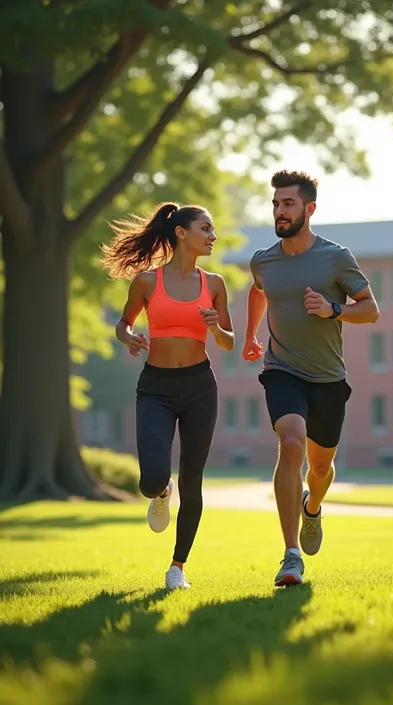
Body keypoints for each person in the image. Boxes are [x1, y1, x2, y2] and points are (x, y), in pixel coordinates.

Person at [242, 170, 379, 587]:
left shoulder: (336, 257)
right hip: (282, 371)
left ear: (309, 208)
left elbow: (370, 309)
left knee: (320, 469)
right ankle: (289, 556)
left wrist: (333, 310)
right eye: (276, 204)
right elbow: (258, 290)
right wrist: (250, 335)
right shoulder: (264, 259)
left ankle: (313, 507)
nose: (279, 211)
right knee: (291, 442)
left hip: (328, 379)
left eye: (288, 204)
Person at [102, 202, 234, 590]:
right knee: (150, 479)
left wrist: (214, 327)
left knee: (193, 482)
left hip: (199, 388)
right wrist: (129, 339)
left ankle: (177, 567)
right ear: (181, 232)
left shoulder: (214, 285)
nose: (212, 236)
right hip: (155, 388)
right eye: (205, 228)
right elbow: (123, 324)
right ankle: (161, 492)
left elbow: (228, 342)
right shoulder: (146, 282)